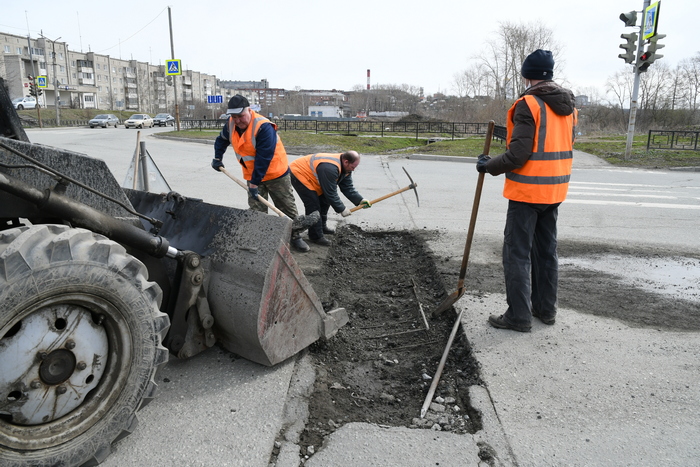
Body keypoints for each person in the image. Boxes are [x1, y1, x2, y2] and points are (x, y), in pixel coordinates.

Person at [476, 49, 577, 332]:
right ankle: (546, 310)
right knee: (546, 253)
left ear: (526, 74)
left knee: (516, 254)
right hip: (555, 191)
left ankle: (519, 316)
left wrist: (488, 166)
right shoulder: (568, 106)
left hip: (527, 193)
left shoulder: (528, 104)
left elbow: (518, 154)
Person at [211, 95, 309, 252]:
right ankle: (259, 239)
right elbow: (221, 140)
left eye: (241, 116)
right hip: (252, 175)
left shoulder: (263, 127)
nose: (237, 121)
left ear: (249, 110)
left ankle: (295, 236)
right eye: (234, 117)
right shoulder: (230, 124)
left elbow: (264, 158)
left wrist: (255, 183)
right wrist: (217, 157)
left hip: (276, 174)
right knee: (257, 211)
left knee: (286, 207)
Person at [289, 151, 371, 247]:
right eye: (353, 167)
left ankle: (322, 228)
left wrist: (360, 200)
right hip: (300, 173)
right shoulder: (329, 168)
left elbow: (347, 187)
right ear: (346, 162)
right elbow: (330, 193)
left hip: (314, 176)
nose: (353, 170)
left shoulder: (346, 168)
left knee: (324, 201)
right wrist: (342, 209)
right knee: (313, 205)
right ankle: (316, 236)